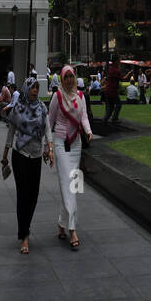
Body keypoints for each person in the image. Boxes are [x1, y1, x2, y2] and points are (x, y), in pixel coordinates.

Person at [2, 76, 53, 253]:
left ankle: (25, 227)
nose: (35, 90)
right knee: (23, 194)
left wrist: (50, 149)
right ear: (26, 89)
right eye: (32, 87)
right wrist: (4, 155)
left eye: (37, 88)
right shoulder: (18, 108)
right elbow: (11, 133)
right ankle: (24, 234)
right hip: (20, 154)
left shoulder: (42, 108)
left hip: (37, 155)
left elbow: (47, 130)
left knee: (33, 195)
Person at [49, 65, 92, 249]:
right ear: (61, 78)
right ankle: (72, 229)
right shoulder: (57, 97)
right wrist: (48, 146)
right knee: (68, 186)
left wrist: (89, 131)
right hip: (60, 143)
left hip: (76, 144)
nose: (68, 80)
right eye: (65, 77)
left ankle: (61, 223)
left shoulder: (80, 97)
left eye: (71, 77)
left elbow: (83, 117)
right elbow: (49, 121)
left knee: (73, 186)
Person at [102, 55, 122, 126]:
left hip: (107, 91)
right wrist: (129, 74)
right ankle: (114, 119)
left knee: (110, 108)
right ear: (116, 61)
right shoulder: (115, 70)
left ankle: (105, 120)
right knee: (118, 105)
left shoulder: (111, 69)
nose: (119, 62)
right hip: (112, 91)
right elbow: (121, 78)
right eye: (119, 60)